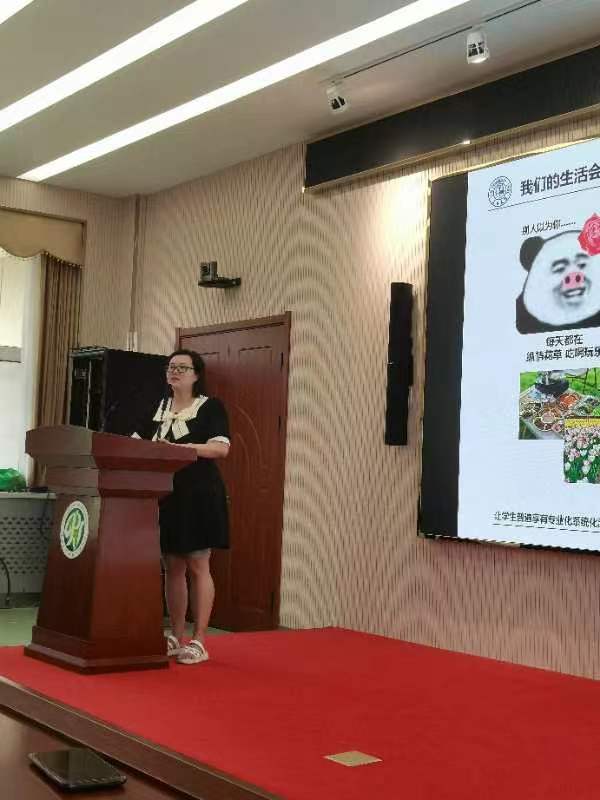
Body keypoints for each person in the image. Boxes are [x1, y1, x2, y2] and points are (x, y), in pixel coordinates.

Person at [135, 349, 230, 665]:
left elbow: (219, 448)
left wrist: (179, 449)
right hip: (165, 495)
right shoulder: (158, 407)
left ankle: (199, 640)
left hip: (199, 494)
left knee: (198, 564)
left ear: (196, 374)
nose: (174, 371)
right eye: (171, 367)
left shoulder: (210, 407)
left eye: (182, 367)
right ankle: (175, 635)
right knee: (172, 565)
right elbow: (135, 444)